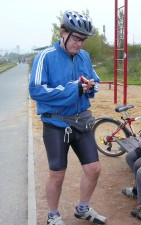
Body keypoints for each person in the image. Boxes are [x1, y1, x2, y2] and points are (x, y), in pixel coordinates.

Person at [29, 11, 106, 225]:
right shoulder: (45, 56)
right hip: (56, 124)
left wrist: (92, 85)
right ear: (63, 32)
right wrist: (74, 89)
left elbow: (94, 78)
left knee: (94, 169)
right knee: (58, 175)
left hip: (82, 120)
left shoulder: (85, 56)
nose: (80, 44)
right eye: (76, 38)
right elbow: (36, 90)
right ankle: (52, 216)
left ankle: (82, 209)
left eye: (83, 40)